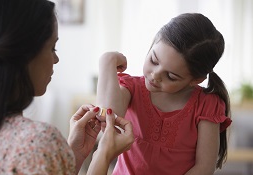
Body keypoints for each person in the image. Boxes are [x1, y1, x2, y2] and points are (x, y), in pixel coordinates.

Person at [0, 0, 134, 174]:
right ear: (22, 54)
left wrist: (73, 154)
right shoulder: (36, 143)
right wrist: (103, 155)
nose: (56, 59)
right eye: (52, 48)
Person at [96, 13, 232, 175]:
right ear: (153, 42)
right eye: (154, 60)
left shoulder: (207, 105)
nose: (154, 75)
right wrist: (107, 61)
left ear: (195, 79)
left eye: (171, 76)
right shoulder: (132, 88)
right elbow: (108, 116)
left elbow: (204, 168)